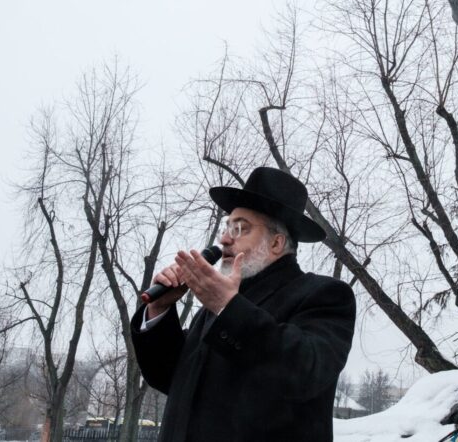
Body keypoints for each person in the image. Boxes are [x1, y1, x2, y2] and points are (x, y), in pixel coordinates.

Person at [131, 166, 356, 442]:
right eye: (227, 227)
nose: (225, 238)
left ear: (276, 243)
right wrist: (159, 310)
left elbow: (305, 373)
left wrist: (228, 307)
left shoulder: (324, 296)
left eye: (240, 228)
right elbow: (169, 378)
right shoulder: (216, 309)